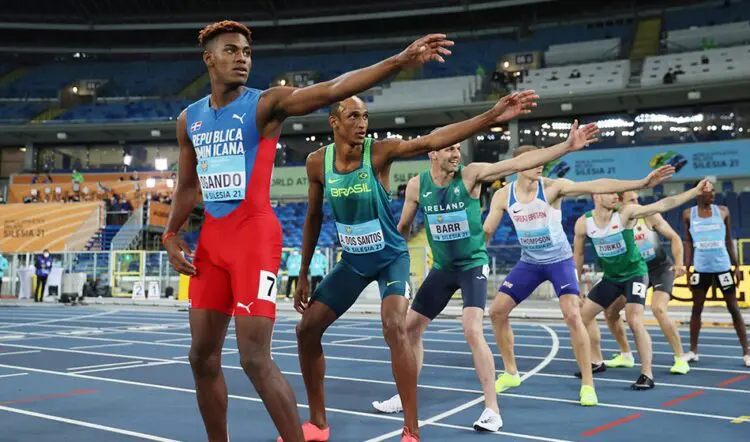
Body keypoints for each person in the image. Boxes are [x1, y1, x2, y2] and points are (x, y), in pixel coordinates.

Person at [162, 19, 455, 442]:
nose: (242, 58)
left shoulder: (266, 105)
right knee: (201, 358)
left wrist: (399, 61)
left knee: (254, 358)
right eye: (231, 51)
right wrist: (170, 234)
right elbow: (187, 187)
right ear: (209, 59)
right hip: (211, 243)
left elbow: (334, 88)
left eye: (247, 52)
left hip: (253, 241)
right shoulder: (189, 119)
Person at [293, 91, 539, 442]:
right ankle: (318, 424)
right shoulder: (317, 162)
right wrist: (303, 272)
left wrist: (490, 116)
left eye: (365, 117)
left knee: (396, 326)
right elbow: (313, 216)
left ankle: (411, 431)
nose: (362, 124)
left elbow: (430, 141)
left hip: (390, 258)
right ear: (334, 122)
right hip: (353, 261)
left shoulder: (379, 152)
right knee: (306, 329)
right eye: (353, 117)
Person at [371, 119, 598, 430]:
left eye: (457, 148)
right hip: (442, 268)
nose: (456, 153)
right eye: (449, 149)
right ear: (432, 153)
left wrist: (565, 147)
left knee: (471, 329)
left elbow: (517, 163)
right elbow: (404, 227)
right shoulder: (416, 186)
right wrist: (390, 257)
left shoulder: (471, 174)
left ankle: (492, 409)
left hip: (472, 266)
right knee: (410, 328)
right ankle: (404, 394)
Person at [483, 141, 674, 405]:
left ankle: (588, 384)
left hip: (559, 261)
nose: (541, 164)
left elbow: (597, 185)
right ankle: (511, 372)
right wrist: (475, 254)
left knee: (574, 316)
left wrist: (641, 183)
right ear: (518, 165)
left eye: (543, 159)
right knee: (497, 311)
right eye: (535, 160)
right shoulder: (503, 196)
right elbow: (487, 231)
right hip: (529, 262)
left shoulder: (553, 187)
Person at [574, 179, 710, 391]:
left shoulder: (626, 214)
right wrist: (576, 287)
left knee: (634, 319)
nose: (616, 196)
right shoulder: (584, 223)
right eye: (611, 193)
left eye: (618, 194)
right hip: (612, 278)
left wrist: (694, 192)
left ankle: (647, 373)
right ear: (596, 196)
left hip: (636, 274)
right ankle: (596, 360)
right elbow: (579, 254)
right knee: (582, 316)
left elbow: (663, 204)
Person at [597, 191, 690, 374]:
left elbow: (675, 237)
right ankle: (626, 354)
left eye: (638, 199)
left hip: (659, 269)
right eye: (632, 200)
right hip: (635, 271)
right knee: (610, 311)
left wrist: (679, 264)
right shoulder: (615, 221)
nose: (637, 203)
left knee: (658, 308)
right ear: (620, 203)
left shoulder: (649, 215)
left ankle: (680, 358)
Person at [682, 181, 750, 367]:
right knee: (697, 309)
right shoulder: (688, 214)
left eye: (713, 190)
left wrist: (736, 266)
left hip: (722, 267)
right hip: (701, 268)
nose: (712, 193)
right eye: (708, 191)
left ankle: (747, 352)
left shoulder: (723, 211)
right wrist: (687, 269)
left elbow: (728, 240)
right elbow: (688, 242)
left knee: (733, 308)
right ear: (698, 193)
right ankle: (693, 351)